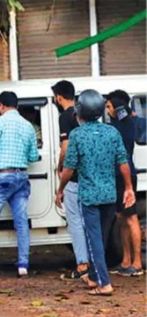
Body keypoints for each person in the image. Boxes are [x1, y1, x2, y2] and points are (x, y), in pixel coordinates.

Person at [56, 89, 135, 296]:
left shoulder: (77, 135)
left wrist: (60, 190)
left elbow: (69, 168)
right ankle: (93, 276)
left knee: (94, 239)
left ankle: (103, 282)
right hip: (109, 194)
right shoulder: (112, 132)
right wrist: (128, 188)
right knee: (101, 236)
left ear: (79, 112)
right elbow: (123, 162)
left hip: (89, 196)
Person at [0, 91, 39, 277]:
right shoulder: (28, 126)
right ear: (17, 106)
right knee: (21, 221)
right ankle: (23, 265)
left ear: (1, 106)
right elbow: (33, 156)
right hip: (21, 177)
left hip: (1, 177)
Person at [51, 80, 90, 281]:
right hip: (89, 174)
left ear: (58, 97)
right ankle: (93, 263)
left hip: (74, 177)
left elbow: (65, 148)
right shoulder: (83, 114)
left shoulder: (65, 117)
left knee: (74, 222)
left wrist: (60, 167)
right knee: (89, 221)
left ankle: (82, 264)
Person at [105, 90, 143, 277]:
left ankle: (136, 263)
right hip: (119, 175)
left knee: (131, 217)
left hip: (125, 176)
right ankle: (126, 260)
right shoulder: (127, 121)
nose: (107, 109)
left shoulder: (122, 126)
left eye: (109, 106)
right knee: (121, 218)